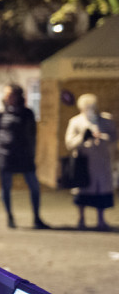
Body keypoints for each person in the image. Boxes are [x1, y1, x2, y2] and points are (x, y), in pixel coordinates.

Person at [0, 83, 49, 230]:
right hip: (6, 156)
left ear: (17, 96)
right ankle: (9, 217)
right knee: (6, 188)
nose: (7, 97)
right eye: (6, 94)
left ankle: (36, 217)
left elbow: (32, 134)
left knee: (34, 186)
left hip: (24, 156)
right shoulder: (1, 113)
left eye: (9, 94)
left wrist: (33, 153)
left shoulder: (27, 113)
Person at [64, 94, 116, 231]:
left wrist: (103, 137)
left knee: (100, 192)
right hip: (83, 162)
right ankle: (81, 218)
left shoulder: (105, 120)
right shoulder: (75, 121)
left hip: (101, 162)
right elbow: (69, 143)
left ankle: (101, 220)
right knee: (82, 192)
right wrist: (83, 137)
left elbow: (113, 137)